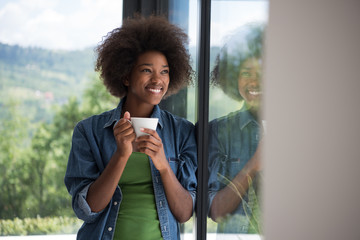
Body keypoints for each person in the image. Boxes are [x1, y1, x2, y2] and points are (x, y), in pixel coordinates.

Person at [64, 15, 197, 240]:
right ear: (126, 75)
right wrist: (121, 155)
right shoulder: (89, 131)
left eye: (164, 71)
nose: (158, 80)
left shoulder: (182, 132)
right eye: (147, 70)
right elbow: (86, 210)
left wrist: (164, 165)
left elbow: (184, 213)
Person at [207, 23, 265, 234]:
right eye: (246, 72)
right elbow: (215, 210)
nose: (255, 81)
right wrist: (254, 165)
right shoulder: (219, 131)